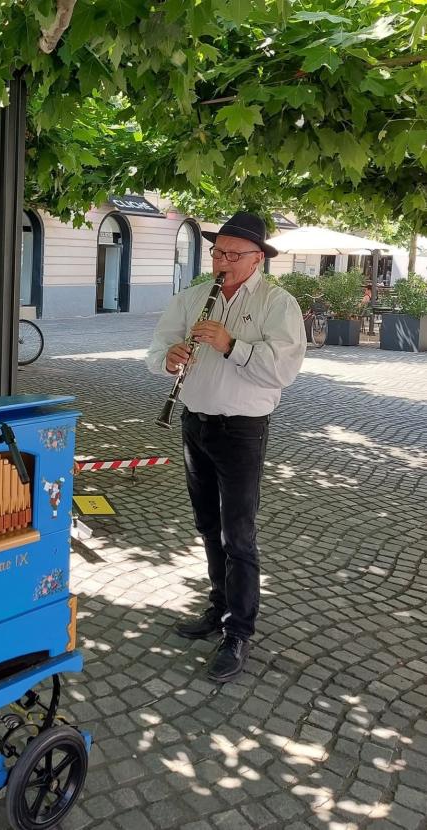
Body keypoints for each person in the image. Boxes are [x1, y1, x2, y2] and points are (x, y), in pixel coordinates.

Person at [146, 212, 306, 683]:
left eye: (234, 255)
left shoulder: (279, 305)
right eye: (218, 252)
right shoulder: (194, 297)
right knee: (206, 523)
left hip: (243, 430)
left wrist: (231, 342)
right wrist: (168, 359)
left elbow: (283, 371)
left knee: (238, 532)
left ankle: (239, 631)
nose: (223, 262)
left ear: (258, 258)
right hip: (195, 422)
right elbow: (158, 347)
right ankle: (217, 607)